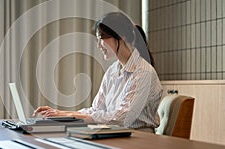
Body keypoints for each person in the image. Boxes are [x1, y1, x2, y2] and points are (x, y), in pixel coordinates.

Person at [33, 12, 163, 132]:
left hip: (138, 138)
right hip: (115, 134)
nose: (98, 45)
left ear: (121, 37)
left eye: (101, 38)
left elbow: (122, 118)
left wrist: (70, 115)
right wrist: (61, 114)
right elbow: (97, 110)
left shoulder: (143, 73)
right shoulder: (112, 71)